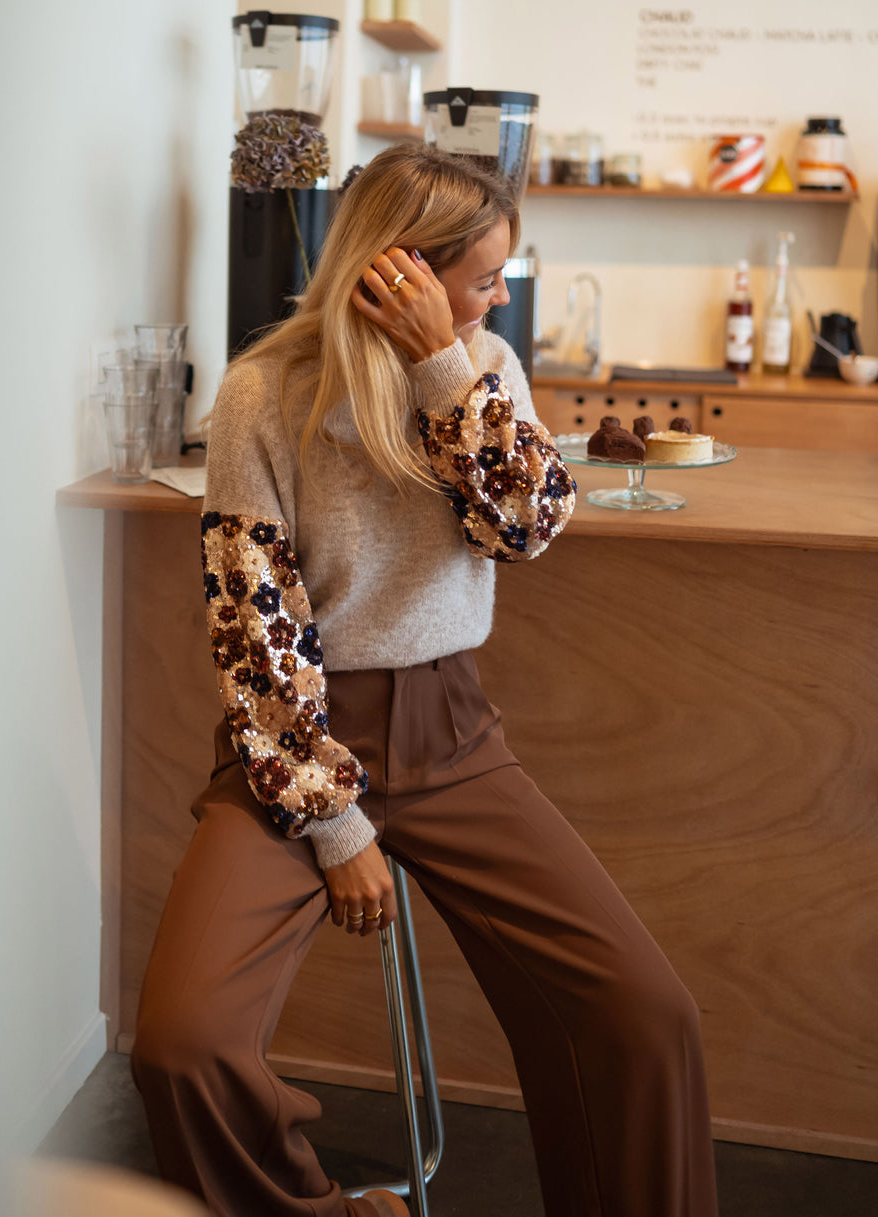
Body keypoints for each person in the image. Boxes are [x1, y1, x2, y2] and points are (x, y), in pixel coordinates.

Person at [130, 144, 719, 1217]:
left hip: (453, 739)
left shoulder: (483, 367)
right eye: (484, 277)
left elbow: (527, 525)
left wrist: (444, 364)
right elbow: (254, 628)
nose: (499, 295)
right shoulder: (262, 392)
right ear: (394, 268)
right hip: (298, 745)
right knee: (179, 1045)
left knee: (646, 1017)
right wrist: (336, 823)